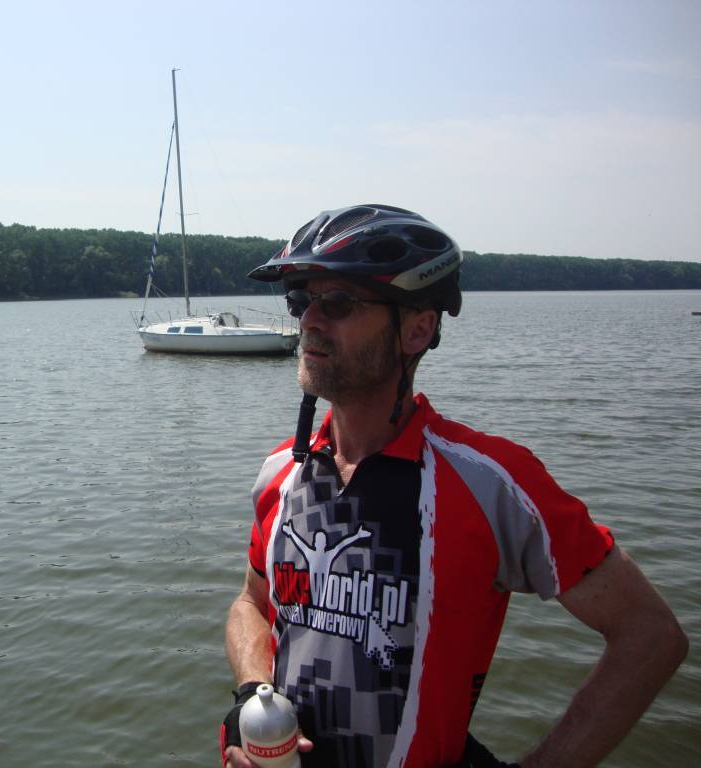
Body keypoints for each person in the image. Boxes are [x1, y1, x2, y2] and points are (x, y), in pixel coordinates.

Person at [220, 204, 687, 768]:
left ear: (417, 329)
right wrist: (254, 696)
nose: (309, 321)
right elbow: (252, 603)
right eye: (301, 301)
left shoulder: (490, 482)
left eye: (338, 302)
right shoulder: (282, 471)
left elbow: (650, 635)